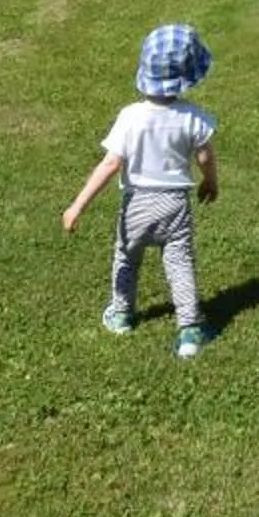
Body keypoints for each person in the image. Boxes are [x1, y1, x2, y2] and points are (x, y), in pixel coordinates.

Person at [62, 22, 221, 358]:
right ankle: (190, 330)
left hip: (136, 206)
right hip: (175, 205)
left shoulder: (131, 117)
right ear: (188, 74)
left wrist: (78, 205)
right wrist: (210, 182)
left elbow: (109, 165)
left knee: (127, 258)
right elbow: (205, 157)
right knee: (179, 263)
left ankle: (121, 315)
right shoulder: (193, 117)